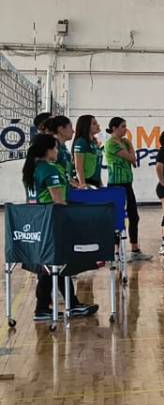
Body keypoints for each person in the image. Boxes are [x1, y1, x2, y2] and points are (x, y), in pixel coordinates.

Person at [23, 133, 97, 321]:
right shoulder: (48, 169)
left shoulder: (32, 169)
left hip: (37, 221)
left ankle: (49, 308)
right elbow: (58, 201)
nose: (57, 151)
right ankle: (65, 306)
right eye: (55, 148)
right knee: (60, 263)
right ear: (48, 150)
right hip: (52, 221)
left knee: (51, 266)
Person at [102, 118, 151, 261]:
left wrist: (129, 148)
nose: (125, 129)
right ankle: (115, 251)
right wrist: (130, 149)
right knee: (117, 218)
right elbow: (130, 157)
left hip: (127, 184)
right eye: (123, 127)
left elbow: (134, 161)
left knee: (134, 216)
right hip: (116, 185)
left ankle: (135, 248)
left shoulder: (124, 142)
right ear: (114, 128)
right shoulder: (110, 143)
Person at [71, 114, 103, 188]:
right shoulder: (81, 142)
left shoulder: (94, 143)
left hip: (95, 182)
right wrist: (83, 185)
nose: (98, 125)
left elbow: (96, 167)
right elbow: (78, 167)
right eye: (94, 124)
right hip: (86, 182)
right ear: (86, 126)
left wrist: (100, 184)